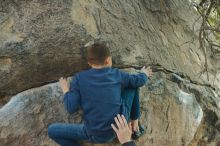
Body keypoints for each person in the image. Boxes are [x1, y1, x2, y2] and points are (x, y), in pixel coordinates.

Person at [47, 43, 152, 146]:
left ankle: (134, 123)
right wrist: (144, 74)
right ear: (108, 60)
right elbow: (138, 81)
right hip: (120, 127)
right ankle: (135, 124)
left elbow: (71, 107)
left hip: (94, 134)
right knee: (132, 85)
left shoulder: (79, 78)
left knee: (52, 130)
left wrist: (65, 90)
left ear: (89, 63)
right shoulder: (116, 74)